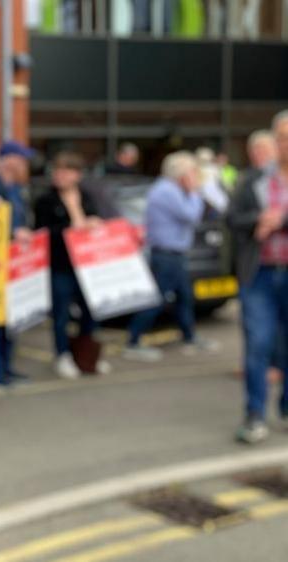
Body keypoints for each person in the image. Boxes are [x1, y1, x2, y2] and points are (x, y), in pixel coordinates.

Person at [227, 110, 288, 444]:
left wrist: (280, 220)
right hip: (259, 275)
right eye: (280, 137)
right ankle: (254, 414)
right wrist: (257, 220)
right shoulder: (253, 180)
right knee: (258, 343)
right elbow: (232, 218)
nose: (285, 144)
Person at [122, 151, 218, 362]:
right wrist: (194, 192)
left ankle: (189, 336)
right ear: (182, 173)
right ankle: (133, 340)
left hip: (175, 253)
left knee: (184, 297)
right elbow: (192, 215)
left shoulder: (171, 189)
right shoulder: (167, 191)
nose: (196, 177)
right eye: (193, 172)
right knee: (157, 298)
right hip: (166, 254)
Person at [33, 151, 111, 379]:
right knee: (61, 313)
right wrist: (70, 228)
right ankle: (62, 355)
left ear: (77, 175)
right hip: (60, 264)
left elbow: (98, 219)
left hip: (85, 266)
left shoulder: (87, 196)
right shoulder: (46, 200)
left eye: (66, 171)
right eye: (57, 171)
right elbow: (43, 233)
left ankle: (87, 354)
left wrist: (94, 222)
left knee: (90, 311)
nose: (60, 175)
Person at [0, 140, 35, 385]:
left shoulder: (15, 186)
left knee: (12, 318)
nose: (23, 163)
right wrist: (15, 232)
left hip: (15, 263)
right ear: (7, 159)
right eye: (20, 158)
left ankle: (7, 367)